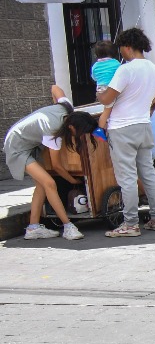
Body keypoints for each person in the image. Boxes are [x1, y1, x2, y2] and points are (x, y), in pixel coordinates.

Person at [97, 27, 155, 237]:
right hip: (144, 125)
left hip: (122, 128)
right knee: (148, 172)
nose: (121, 53)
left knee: (127, 177)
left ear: (127, 47)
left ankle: (130, 223)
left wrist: (101, 92)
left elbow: (107, 98)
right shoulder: (154, 69)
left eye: (121, 48)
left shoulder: (125, 70)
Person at [4, 84, 92, 241]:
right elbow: (57, 166)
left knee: (42, 185)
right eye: (78, 133)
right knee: (50, 183)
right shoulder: (53, 130)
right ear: (72, 127)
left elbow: (55, 88)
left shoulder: (67, 108)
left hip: (27, 143)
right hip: (16, 147)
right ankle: (68, 227)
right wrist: (73, 180)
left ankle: (33, 228)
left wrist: (53, 104)